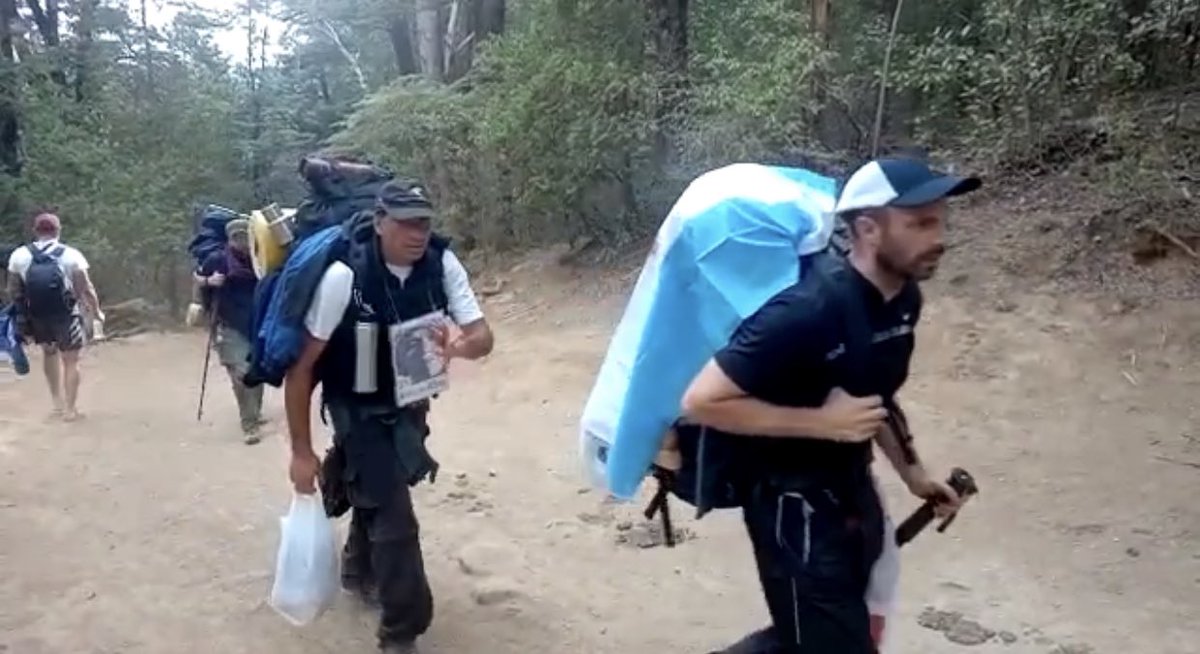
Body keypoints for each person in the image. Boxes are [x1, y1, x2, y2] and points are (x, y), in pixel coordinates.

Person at [680, 157, 980, 653]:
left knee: (822, 634)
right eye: (920, 224)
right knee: (830, 640)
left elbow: (874, 396)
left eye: (941, 221)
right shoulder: (806, 311)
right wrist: (820, 422)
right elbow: (703, 401)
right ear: (868, 229)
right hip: (791, 508)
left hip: (851, 492)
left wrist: (914, 474)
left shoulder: (904, 301)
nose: (939, 237)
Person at [283, 179, 494, 653]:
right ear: (380, 222)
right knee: (397, 520)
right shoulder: (344, 277)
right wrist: (301, 452)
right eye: (405, 223)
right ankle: (402, 630)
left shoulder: (441, 264)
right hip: (354, 408)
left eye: (424, 223)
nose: (417, 234)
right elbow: (301, 371)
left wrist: (456, 347)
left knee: (383, 489)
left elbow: (483, 338)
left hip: (410, 403)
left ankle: (358, 568)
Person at [5, 213, 102, 420]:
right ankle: (70, 409)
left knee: (49, 354)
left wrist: (21, 315)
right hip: (66, 315)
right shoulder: (71, 255)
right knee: (71, 360)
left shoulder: (20, 255)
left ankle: (57, 403)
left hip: (37, 315)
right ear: (58, 230)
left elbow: (13, 289)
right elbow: (85, 288)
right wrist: (95, 311)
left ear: (35, 231)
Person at [194, 218, 265, 444]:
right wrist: (209, 281)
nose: (241, 241)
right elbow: (198, 280)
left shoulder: (260, 258)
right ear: (229, 239)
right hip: (228, 324)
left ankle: (255, 411)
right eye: (236, 237)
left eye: (245, 236)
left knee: (257, 371)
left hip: (257, 323)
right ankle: (249, 424)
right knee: (241, 373)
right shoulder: (218, 259)